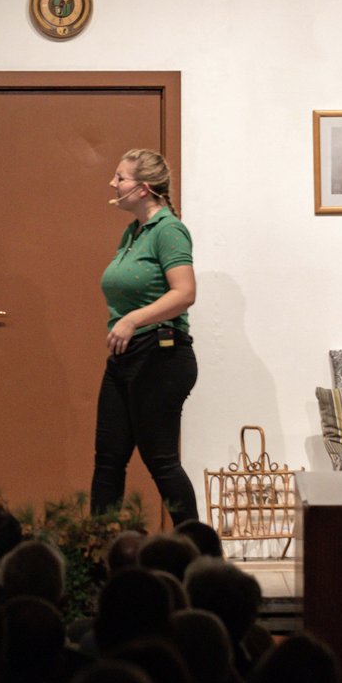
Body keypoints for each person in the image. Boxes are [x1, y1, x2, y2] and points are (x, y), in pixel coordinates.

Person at [92, 148, 200, 525]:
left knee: (161, 462)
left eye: (120, 178)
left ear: (143, 189)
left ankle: (199, 550)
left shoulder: (168, 230)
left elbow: (184, 293)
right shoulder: (133, 232)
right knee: (108, 462)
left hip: (161, 355)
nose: (112, 183)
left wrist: (132, 319)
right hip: (126, 357)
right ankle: (96, 550)